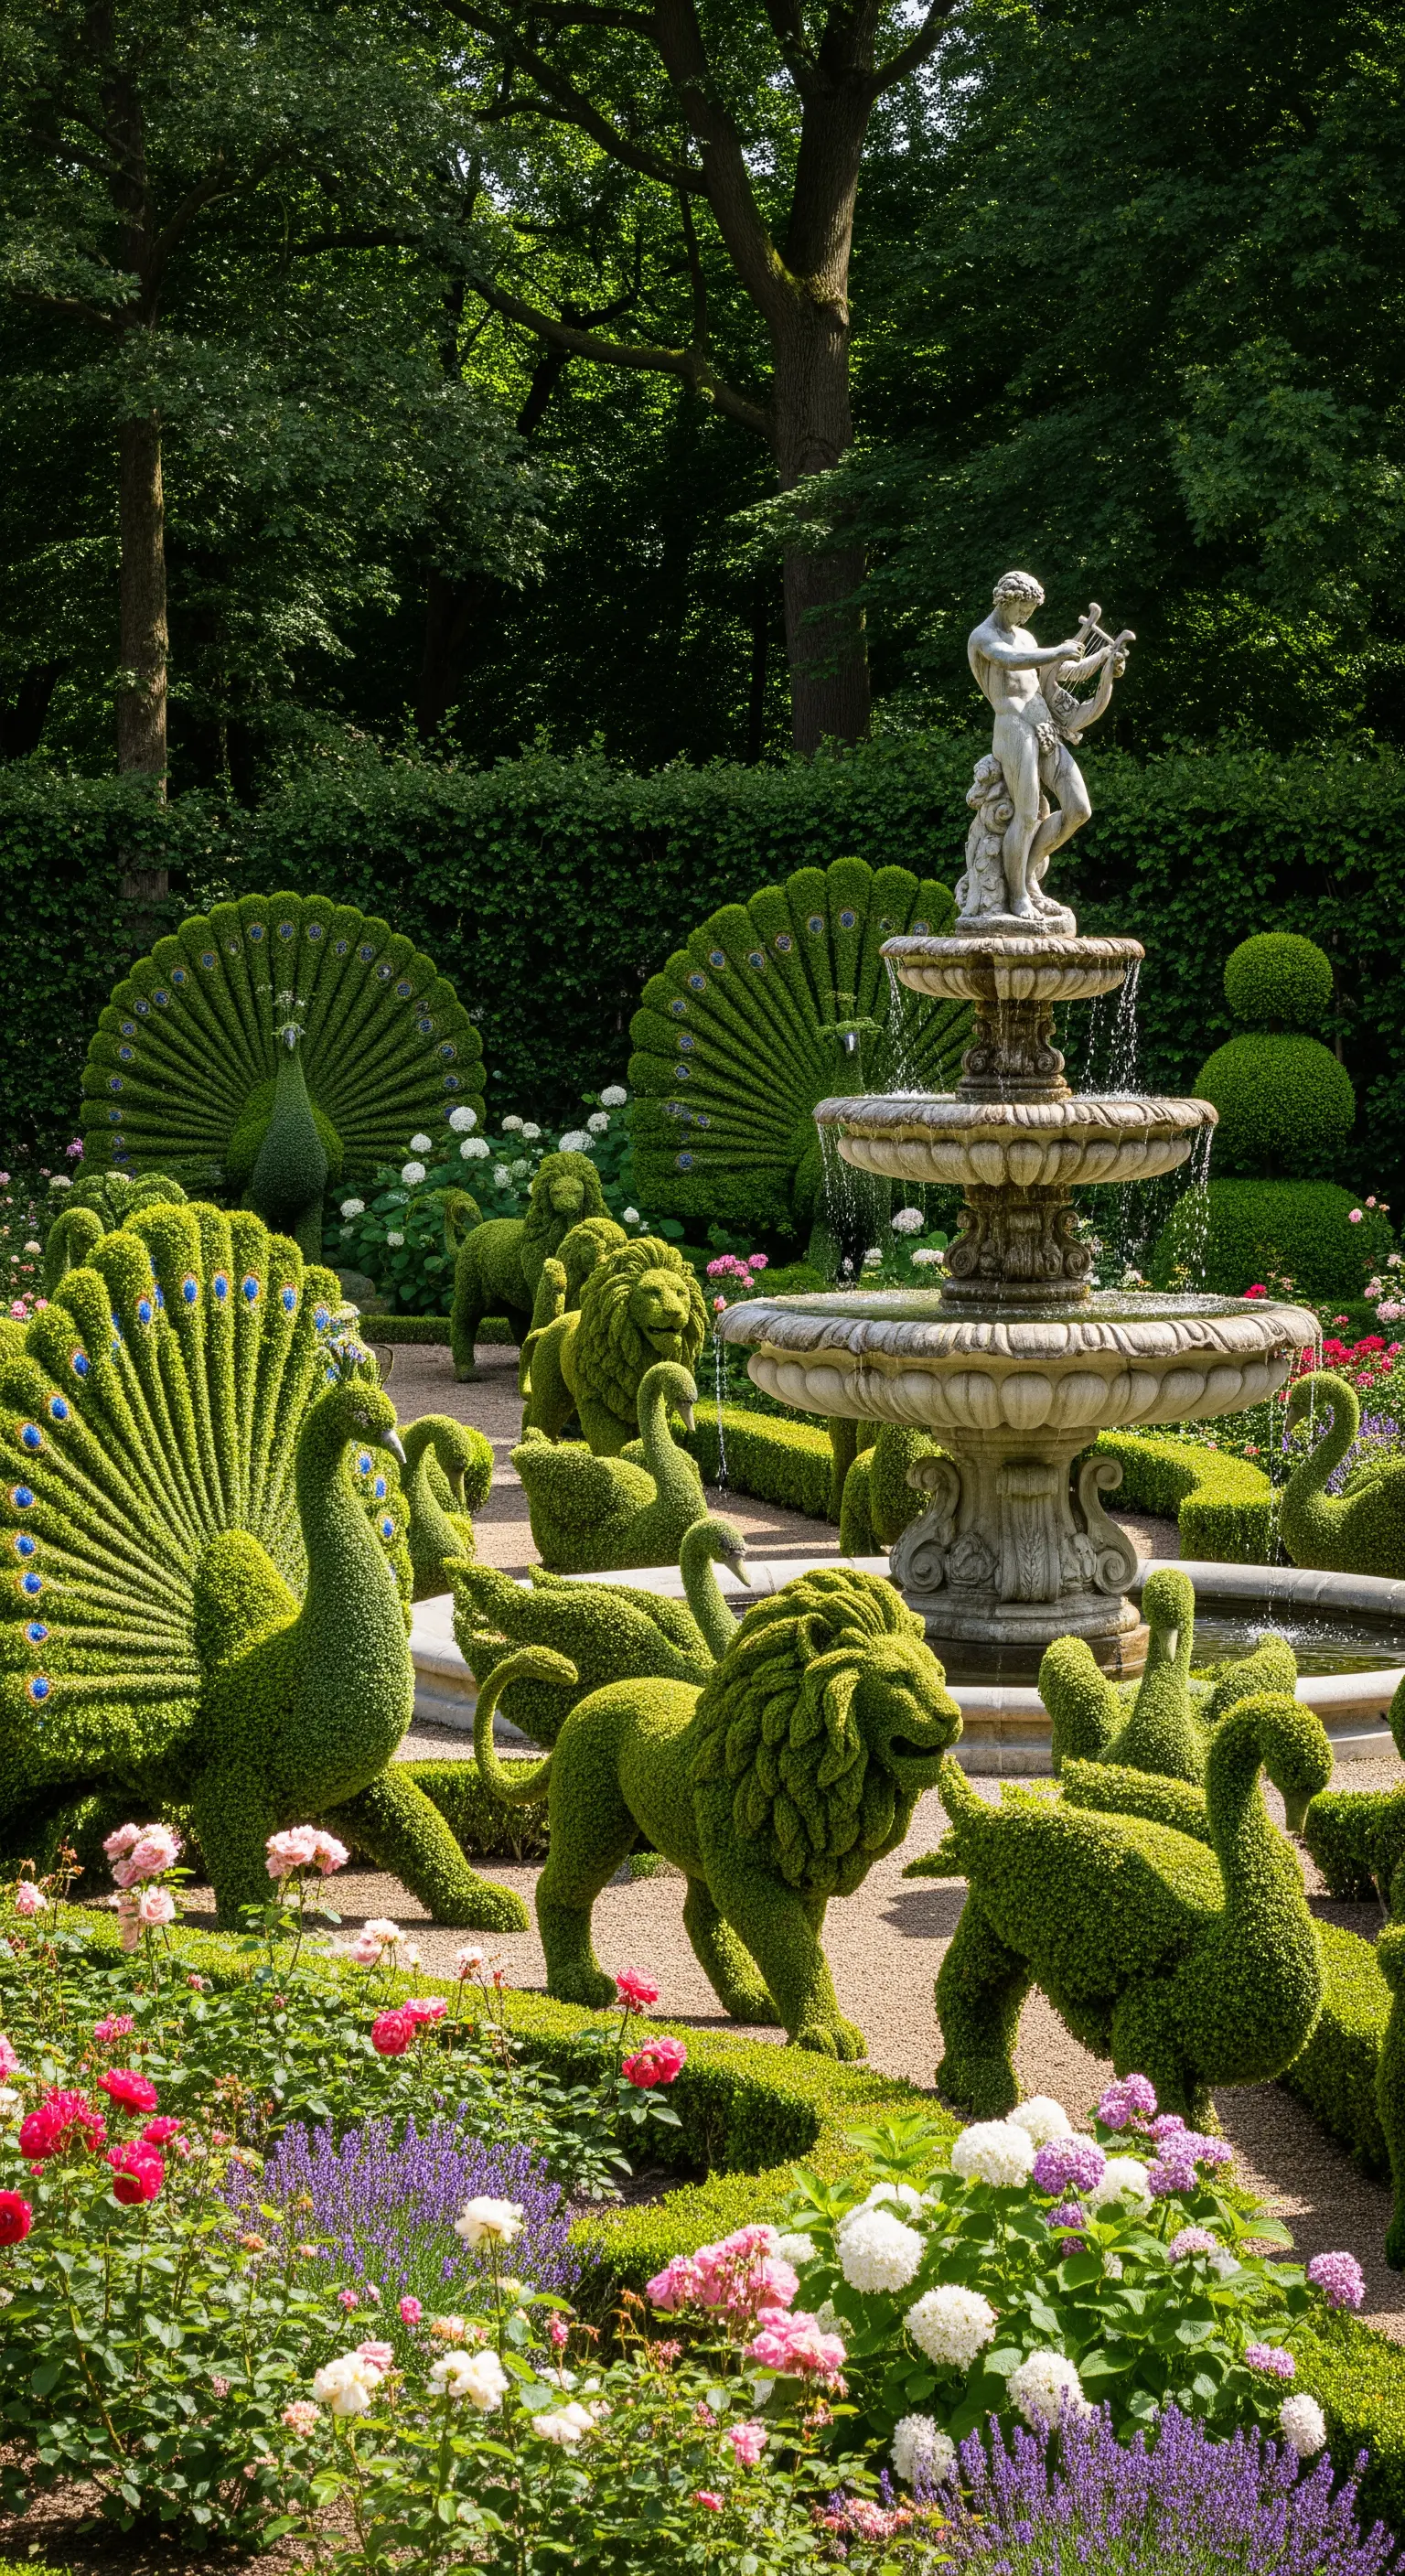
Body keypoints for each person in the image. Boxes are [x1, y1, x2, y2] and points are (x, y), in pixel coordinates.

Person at [966, 571, 1131, 921]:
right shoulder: (983, 636)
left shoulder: (1026, 637)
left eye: (1030, 611)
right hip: (1012, 727)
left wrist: (1105, 662)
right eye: (1022, 609)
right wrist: (1057, 650)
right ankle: (1018, 895)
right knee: (1025, 816)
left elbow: (1060, 674)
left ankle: (1026, 871)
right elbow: (1009, 660)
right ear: (1006, 600)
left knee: (1079, 809)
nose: (1026, 618)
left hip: (1044, 727)